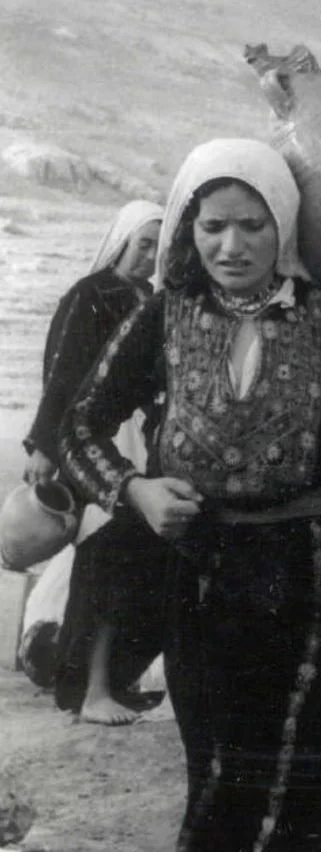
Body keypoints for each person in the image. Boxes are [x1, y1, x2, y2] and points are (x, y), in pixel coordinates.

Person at [57, 138, 321, 852]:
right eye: (213, 225)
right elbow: (76, 427)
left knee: (306, 795)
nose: (231, 244)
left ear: (285, 224)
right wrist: (135, 490)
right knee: (219, 782)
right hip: (208, 576)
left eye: (252, 224)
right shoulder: (162, 315)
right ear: (189, 226)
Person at [21, 199, 169, 725]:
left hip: (138, 443)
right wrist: (43, 446)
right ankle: (90, 690)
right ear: (122, 238)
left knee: (126, 563)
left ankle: (108, 683)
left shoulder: (150, 297)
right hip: (94, 443)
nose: (149, 256)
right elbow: (60, 373)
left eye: (158, 246)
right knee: (101, 561)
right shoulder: (87, 294)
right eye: (143, 243)